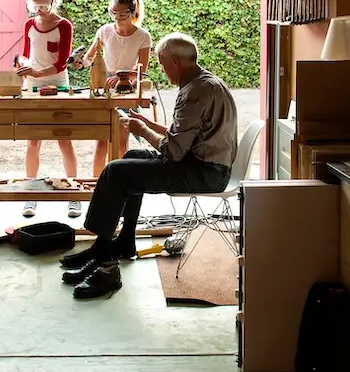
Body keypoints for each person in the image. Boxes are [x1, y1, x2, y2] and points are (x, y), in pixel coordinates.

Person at [59, 33, 238, 300]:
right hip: (206, 165)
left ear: (176, 61)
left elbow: (174, 151)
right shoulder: (205, 83)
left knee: (115, 171)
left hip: (203, 173)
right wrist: (150, 124)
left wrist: (142, 130)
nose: (163, 71)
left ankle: (104, 259)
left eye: (164, 65)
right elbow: (186, 137)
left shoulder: (194, 92)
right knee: (132, 155)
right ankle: (125, 240)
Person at [17, 0, 78, 218]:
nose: (40, 10)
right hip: (32, 82)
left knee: (64, 139)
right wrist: (22, 66)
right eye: (35, 5)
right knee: (34, 140)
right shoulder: (29, 24)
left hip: (58, 82)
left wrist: (38, 72)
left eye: (44, 5)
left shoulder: (64, 26)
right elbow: (25, 53)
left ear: (53, 1)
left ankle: (74, 193)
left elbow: (62, 61)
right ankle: (30, 193)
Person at [77, 0, 152, 176]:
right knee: (101, 141)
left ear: (133, 11)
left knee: (120, 143)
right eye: (113, 12)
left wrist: (121, 77)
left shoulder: (142, 36)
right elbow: (89, 58)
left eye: (122, 13)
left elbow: (142, 70)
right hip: (104, 90)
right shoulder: (104, 31)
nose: (117, 17)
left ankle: (121, 185)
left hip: (126, 91)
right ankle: (96, 185)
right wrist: (79, 62)